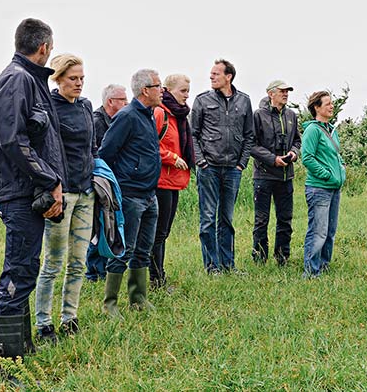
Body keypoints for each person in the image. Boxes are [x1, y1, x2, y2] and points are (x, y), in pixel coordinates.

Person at [0, 18, 65, 378]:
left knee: (27, 268)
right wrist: (50, 179)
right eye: (51, 48)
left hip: (28, 191)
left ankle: (21, 347)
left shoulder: (29, 81)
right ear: (43, 47)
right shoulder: (17, 80)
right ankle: (7, 366)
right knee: (17, 273)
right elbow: (13, 142)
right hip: (17, 192)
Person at [34, 54, 97, 343]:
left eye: (82, 78)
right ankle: (43, 323)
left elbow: (92, 149)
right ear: (58, 79)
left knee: (79, 262)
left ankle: (70, 318)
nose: (79, 83)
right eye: (73, 78)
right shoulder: (49, 107)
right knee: (53, 262)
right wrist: (51, 186)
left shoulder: (86, 106)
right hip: (61, 194)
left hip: (86, 193)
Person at [98, 69, 162, 317]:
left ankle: (138, 298)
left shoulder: (149, 115)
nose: (162, 90)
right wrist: (120, 185)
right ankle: (110, 304)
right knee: (124, 249)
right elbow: (106, 154)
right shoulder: (126, 117)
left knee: (143, 249)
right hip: (131, 195)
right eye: (159, 86)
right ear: (146, 90)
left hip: (150, 194)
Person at [191, 59, 254, 273]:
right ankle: (212, 266)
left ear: (229, 76)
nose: (211, 77)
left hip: (232, 169)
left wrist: (241, 164)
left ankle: (228, 265)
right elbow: (193, 135)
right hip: (209, 168)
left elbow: (249, 136)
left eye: (216, 74)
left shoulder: (244, 101)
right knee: (208, 219)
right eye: (211, 74)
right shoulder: (201, 100)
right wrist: (201, 162)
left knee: (226, 219)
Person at [250, 80, 301, 265]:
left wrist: (294, 154)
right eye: (282, 91)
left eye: (287, 91)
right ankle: (259, 258)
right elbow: (251, 144)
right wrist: (272, 159)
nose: (286, 94)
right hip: (263, 176)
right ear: (271, 93)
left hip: (286, 176)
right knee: (261, 220)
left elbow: (297, 140)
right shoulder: (258, 116)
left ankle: (282, 258)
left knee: (285, 220)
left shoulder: (291, 115)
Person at [150, 74, 194, 289]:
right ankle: (156, 279)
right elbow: (149, 146)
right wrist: (172, 158)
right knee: (158, 233)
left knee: (163, 232)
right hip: (160, 181)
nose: (187, 95)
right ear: (168, 90)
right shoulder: (160, 113)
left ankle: (158, 275)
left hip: (174, 181)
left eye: (188, 90)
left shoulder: (178, 116)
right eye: (183, 91)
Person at [301, 91, 346, 278]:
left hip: (334, 188)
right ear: (316, 108)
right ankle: (311, 271)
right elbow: (307, 158)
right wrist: (326, 175)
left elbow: (334, 155)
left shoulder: (331, 130)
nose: (331, 106)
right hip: (319, 187)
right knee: (318, 231)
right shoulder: (312, 130)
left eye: (331, 103)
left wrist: (341, 169)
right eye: (327, 103)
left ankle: (323, 265)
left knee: (330, 231)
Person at [86, 83, 128, 282]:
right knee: (99, 224)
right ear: (111, 102)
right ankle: (94, 272)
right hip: (99, 182)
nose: (127, 103)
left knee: (110, 223)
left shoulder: (117, 120)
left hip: (112, 182)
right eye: (123, 100)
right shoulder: (96, 121)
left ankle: (103, 268)